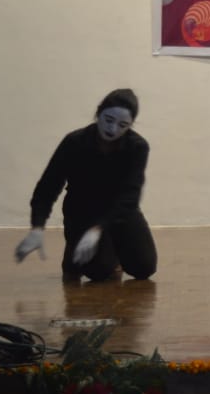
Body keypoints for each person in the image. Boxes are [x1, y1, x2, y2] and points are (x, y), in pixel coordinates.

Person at [14, 89, 157, 282]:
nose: (113, 129)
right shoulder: (74, 142)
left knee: (144, 267)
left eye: (123, 125)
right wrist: (37, 227)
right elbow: (48, 186)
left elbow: (130, 196)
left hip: (119, 212)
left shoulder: (137, 147)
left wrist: (98, 229)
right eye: (108, 120)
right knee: (99, 272)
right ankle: (75, 252)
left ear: (130, 125)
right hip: (82, 211)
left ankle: (108, 245)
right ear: (98, 113)